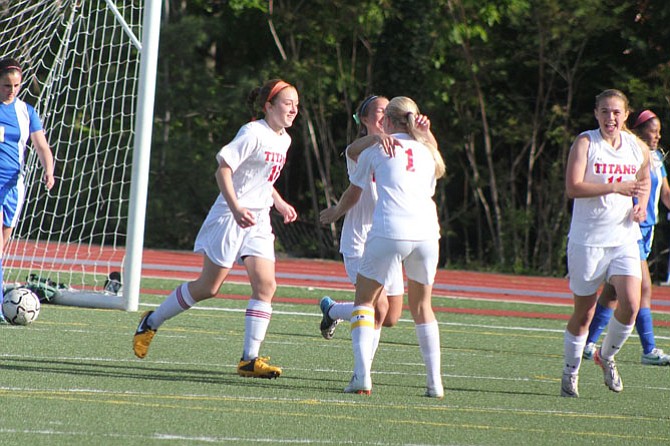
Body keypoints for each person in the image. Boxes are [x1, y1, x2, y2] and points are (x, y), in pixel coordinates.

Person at [133, 79, 299, 379]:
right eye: (288, 103)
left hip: (258, 219)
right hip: (231, 215)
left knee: (266, 286)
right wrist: (236, 208)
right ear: (269, 106)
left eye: (296, 104)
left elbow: (262, 179)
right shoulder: (252, 132)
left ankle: (249, 360)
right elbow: (223, 170)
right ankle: (152, 320)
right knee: (210, 287)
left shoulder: (284, 139)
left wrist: (280, 203)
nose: (294, 109)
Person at [318, 95, 436, 370]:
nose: (384, 116)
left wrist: (425, 133)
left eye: (388, 111)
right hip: (361, 241)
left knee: (391, 316)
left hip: (389, 238)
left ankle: (332, 310)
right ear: (367, 120)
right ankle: (363, 373)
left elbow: (434, 159)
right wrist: (336, 212)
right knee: (378, 307)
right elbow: (352, 154)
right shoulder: (363, 149)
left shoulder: (405, 148)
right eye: (379, 112)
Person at [342, 96, 446, 397]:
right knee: (423, 308)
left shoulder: (379, 147)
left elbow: (350, 154)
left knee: (364, 301)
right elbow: (435, 172)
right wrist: (426, 136)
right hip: (427, 234)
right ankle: (434, 383)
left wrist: (377, 139)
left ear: (386, 120)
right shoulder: (428, 151)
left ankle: (361, 376)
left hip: (390, 230)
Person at [561, 89, 651, 398]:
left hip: (624, 236)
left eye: (616, 112)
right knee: (584, 313)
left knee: (632, 301)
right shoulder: (586, 143)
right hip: (588, 240)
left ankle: (606, 356)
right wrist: (615, 186)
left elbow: (645, 178)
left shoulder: (636, 147)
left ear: (626, 115)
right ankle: (570, 371)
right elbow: (573, 187)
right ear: (596, 113)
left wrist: (641, 204)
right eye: (604, 112)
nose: (610, 117)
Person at [583, 109, 670, 366]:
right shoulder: (629, 152)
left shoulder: (655, 157)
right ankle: (648, 349)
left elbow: (665, 193)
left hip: (648, 229)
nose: (656, 137)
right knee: (643, 287)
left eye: (659, 132)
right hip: (630, 228)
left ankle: (587, 343)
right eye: (652, 131)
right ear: (638, 130)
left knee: (612, 292)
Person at [0, 57, 55, 322]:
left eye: (16, 85)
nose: (11, 90)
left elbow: (41, 146)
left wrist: (49, 170)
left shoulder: (26, 111)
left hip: (14, 186)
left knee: (2, 247)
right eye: (6, 85)